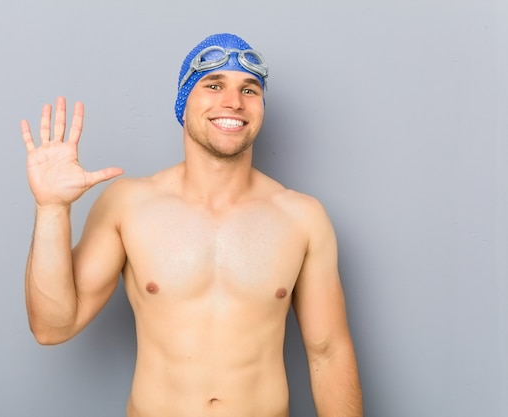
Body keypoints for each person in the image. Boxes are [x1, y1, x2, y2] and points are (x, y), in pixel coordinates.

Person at [20, 33, 363, 417]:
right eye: (213, 85)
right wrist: (50, 208)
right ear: (184, 104)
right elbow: (52, 327)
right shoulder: (129, 205)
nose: (233, 101)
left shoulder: (302, 218)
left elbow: (329, 354)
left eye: (250, 90)